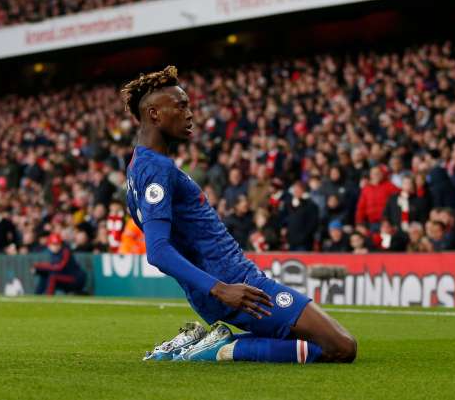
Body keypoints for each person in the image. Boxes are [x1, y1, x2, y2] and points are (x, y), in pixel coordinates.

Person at [121, 67, 356, 363]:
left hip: (222, 284)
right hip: (233, 284)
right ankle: (218, 349)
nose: (190, 113)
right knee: (341, 346)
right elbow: (157, 252)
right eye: (181, 106)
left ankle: (208, 343)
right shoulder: (156, 168)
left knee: (305, 339)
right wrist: (220, 289)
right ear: (154, 114)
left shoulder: (137, 166)